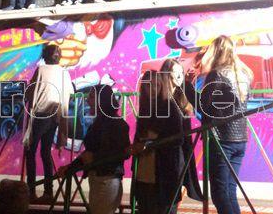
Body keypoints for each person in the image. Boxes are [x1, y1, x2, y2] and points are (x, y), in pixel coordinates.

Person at [198, 35, 254, 214]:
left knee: (220, 193)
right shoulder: (244, 74)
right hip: (240, 139)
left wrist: (187, 88)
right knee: (229, 191)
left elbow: (203, 107)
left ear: (215, 51)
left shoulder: (217, 74)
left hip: (221, 139)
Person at [56, 85, 130, 214]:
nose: (87, 100)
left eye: (91, 97)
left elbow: (123, 152)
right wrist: (70, 167)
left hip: (107, 179)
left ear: (101, 100)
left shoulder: (117, 124)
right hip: (97, 178)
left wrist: (95, 157)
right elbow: (89, 153)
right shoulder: (98, 123)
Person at [23, 44, 73, 202]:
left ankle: (31, 191)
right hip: (55, 117)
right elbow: (70, 92)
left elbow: (30, 92)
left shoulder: (41, 70)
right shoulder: (64, 72)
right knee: (45, 152)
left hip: (40, 115)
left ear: (45, 56)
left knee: (30, 151)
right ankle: (48, 192)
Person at [132, 70, 185, 214]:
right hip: (145, 170)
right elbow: (140, 136)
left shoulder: (170, 107)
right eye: (149, 85)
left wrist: (149, 145)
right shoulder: (145, 107)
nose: (153, 89)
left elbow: (178, 139)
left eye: (157, 85)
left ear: (162, 86)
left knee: (161, 208)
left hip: (164, 171)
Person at [159, 59, 204, 204]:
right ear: (166, 74)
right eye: (175, 72)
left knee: (175, 190)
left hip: (181, 148)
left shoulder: (183, 96)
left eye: (181, 72)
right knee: (167, 193)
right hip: (165, 151)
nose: (179, 76)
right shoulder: (159, 97)